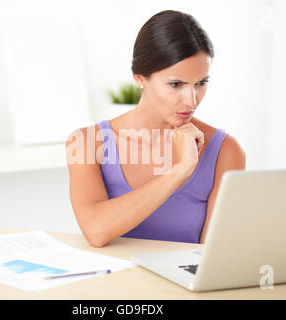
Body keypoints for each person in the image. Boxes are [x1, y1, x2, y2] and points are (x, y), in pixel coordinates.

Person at [65, 10, 246, 247]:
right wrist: (179, 170)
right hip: (111, 282)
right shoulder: (87, 143)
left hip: (182, 284)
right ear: (140, 77)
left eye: (201, 83)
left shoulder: (225, 150)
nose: (191, 101)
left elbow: (213, 255)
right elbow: (96, 231)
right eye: (176, 84)